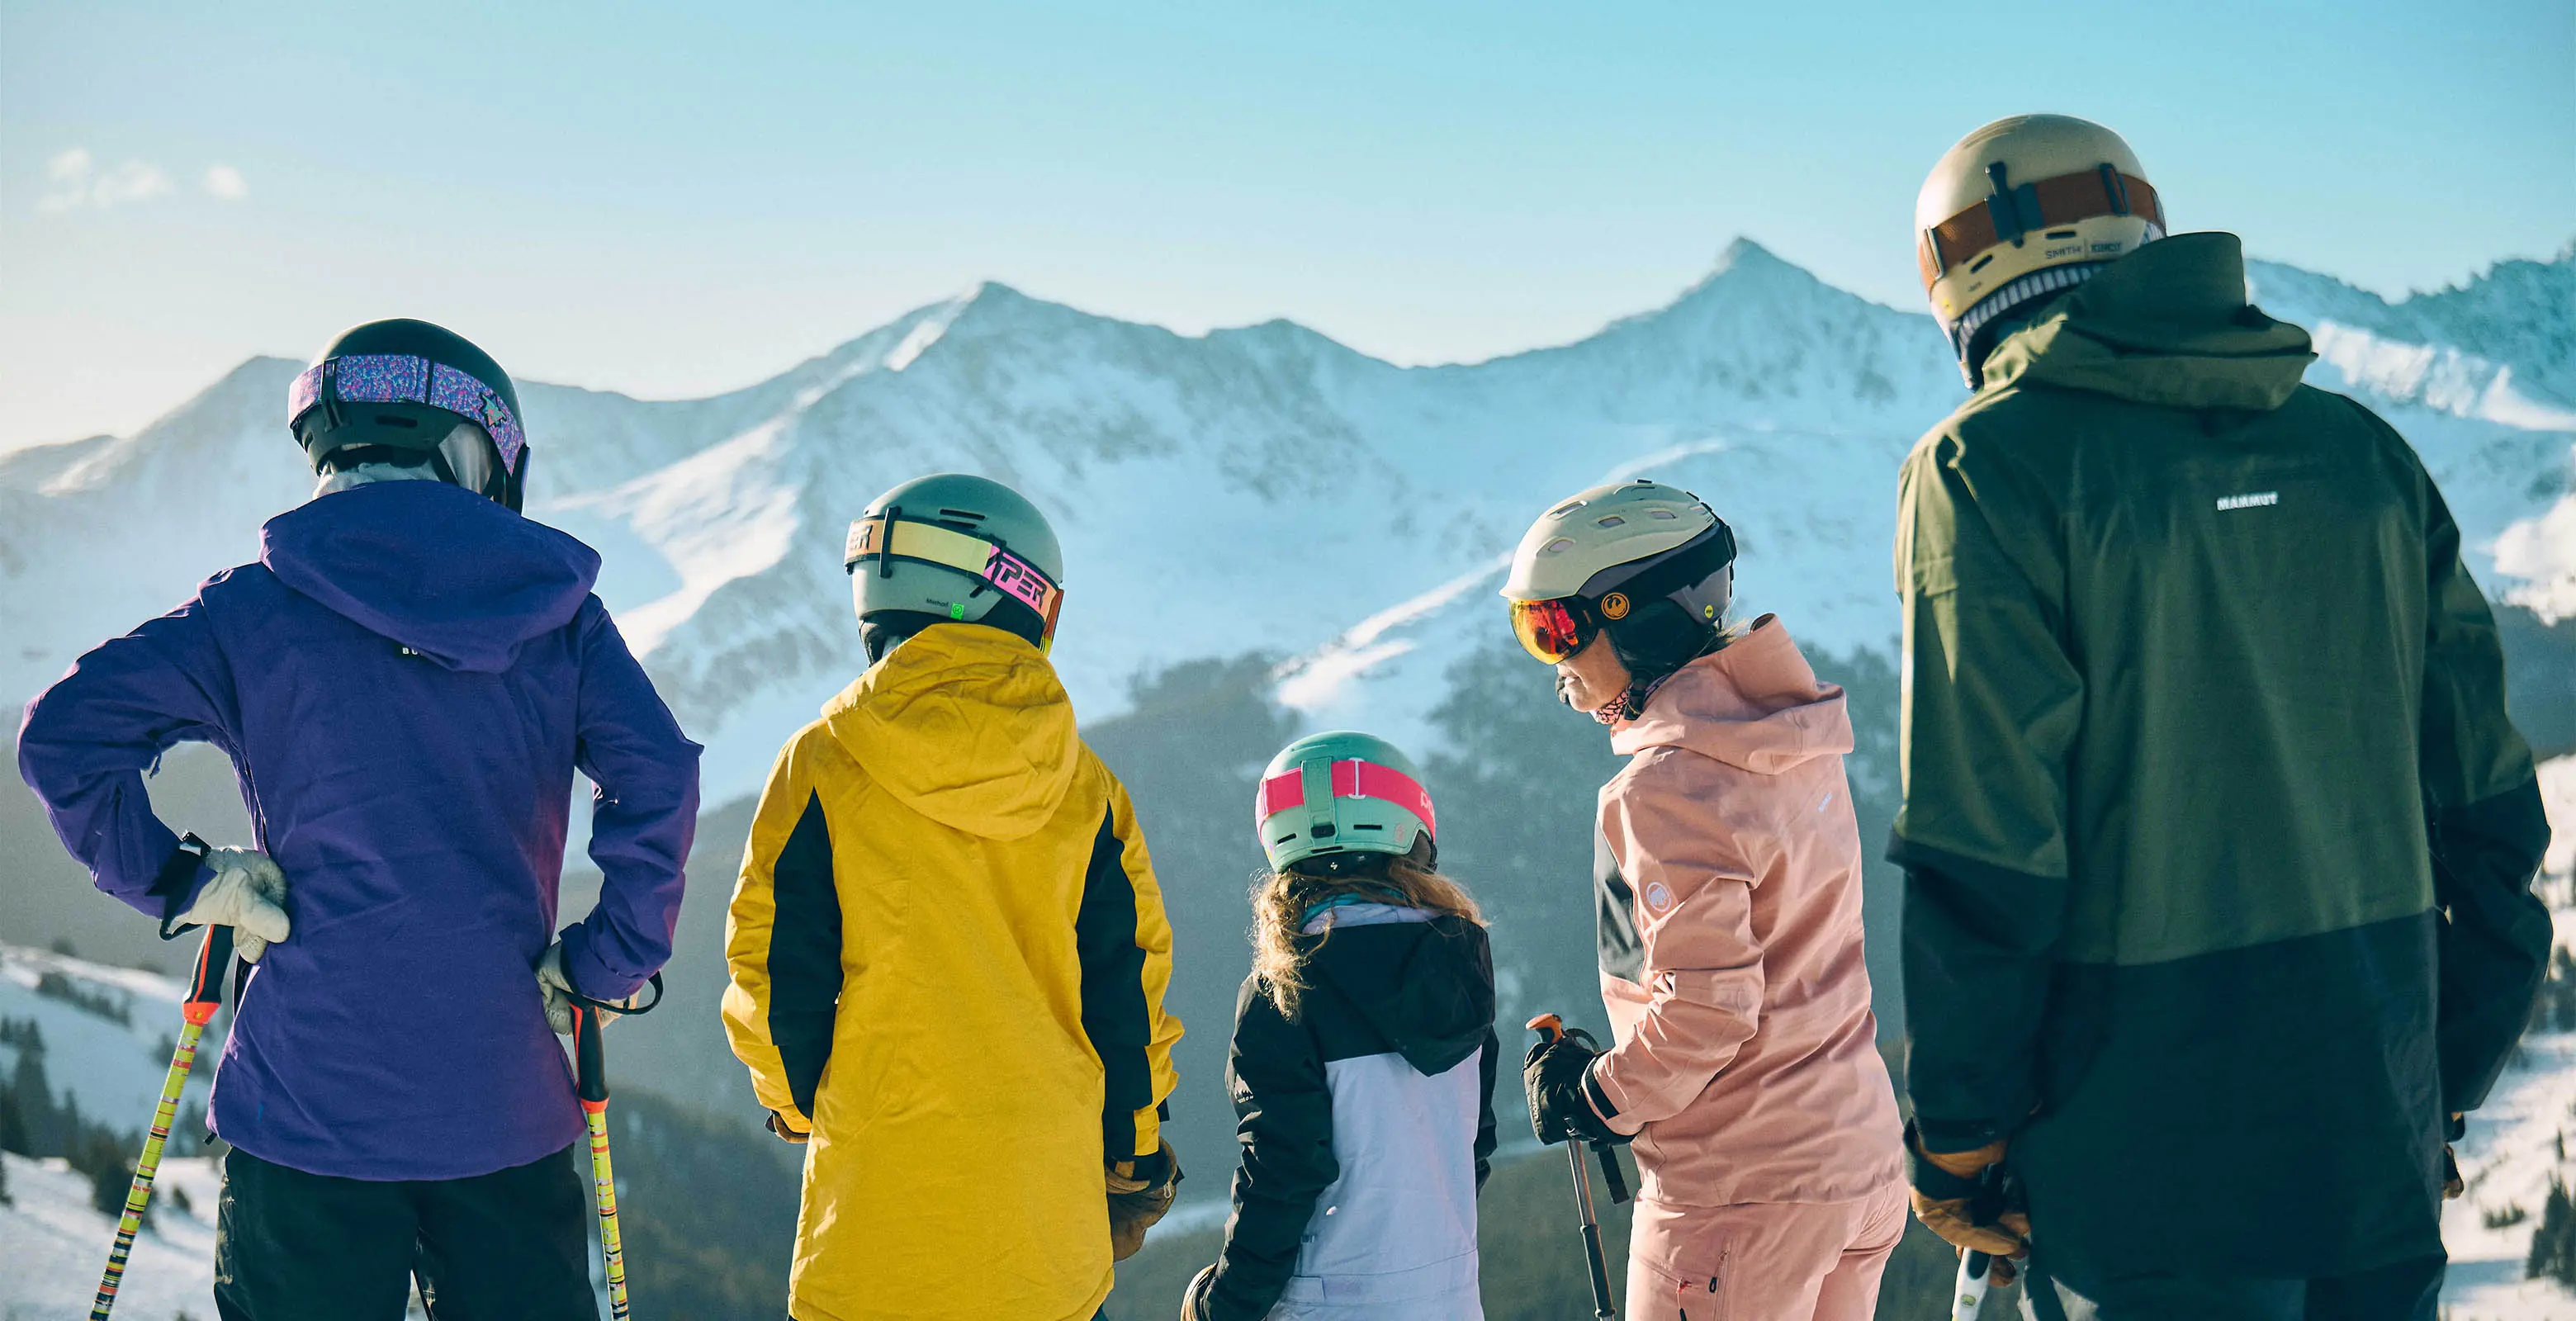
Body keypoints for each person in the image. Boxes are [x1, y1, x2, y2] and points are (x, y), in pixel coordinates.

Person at [1893, 114, 2554, 1320]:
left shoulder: (1987, 468)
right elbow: (2492, 814)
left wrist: (1960, 1136)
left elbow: (1986, 847)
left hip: (2138, 1162)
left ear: (1954, 281)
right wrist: (2436, 1077)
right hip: (2373, 1121)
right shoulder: (2363, 453)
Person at [15, 318, 701, 1319]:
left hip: (306, 1107)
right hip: (504, 1105)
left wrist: (187, 882)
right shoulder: (560, 618)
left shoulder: (251, 611)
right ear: (474, 449)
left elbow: (65, 737)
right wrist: (604, 961)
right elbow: (660, 779)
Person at [722, 472, 1185, 1321]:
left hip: (874, 1234)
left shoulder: (822, 764)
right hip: (1047, 1240)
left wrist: (800, 1104)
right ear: (1020, 598)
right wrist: (1133, 1153)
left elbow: (773, 972)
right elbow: (1126, 993)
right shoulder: (1088, 791)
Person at [1505, 481, 1906, 1321]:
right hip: (1858, 1165)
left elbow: (1709, 1011)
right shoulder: (1793, 740)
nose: (1554, 663)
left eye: (1556, 629)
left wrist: (1595, 1095)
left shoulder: (1666, 787)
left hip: (1739, 1195)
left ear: (1636, 617)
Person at [1181, 732, 1499, 1321]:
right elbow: (1472, 1147)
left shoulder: (1285, 990)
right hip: (1450, 1296)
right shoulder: (1461, 967)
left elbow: (1283, 1170)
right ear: (1413, 829)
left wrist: (1223, 1303)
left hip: (1326, 1300)